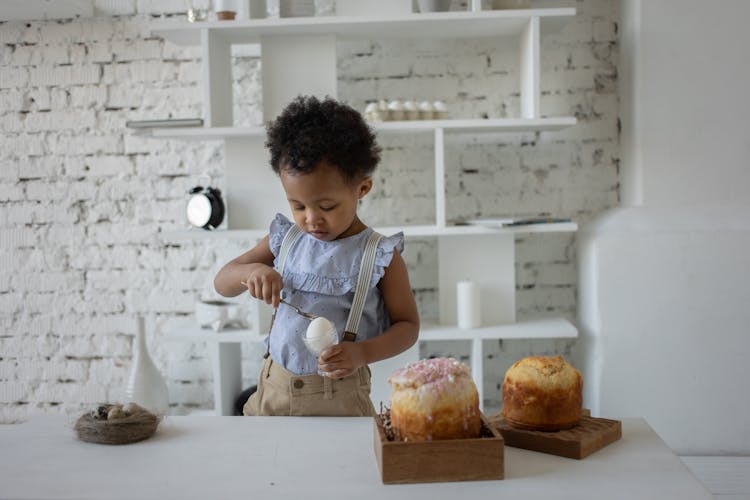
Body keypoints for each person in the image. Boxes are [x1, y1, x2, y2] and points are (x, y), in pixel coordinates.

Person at [214, 95, 420, 416]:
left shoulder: (378, 255)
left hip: (341, 402)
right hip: (273, 395)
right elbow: (222, 283)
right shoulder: (286, 239)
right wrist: (250, 272)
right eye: (298, 206)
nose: (311, 219)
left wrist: (362, 352)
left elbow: (407, 326)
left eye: (326, 206)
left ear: (362, 189)